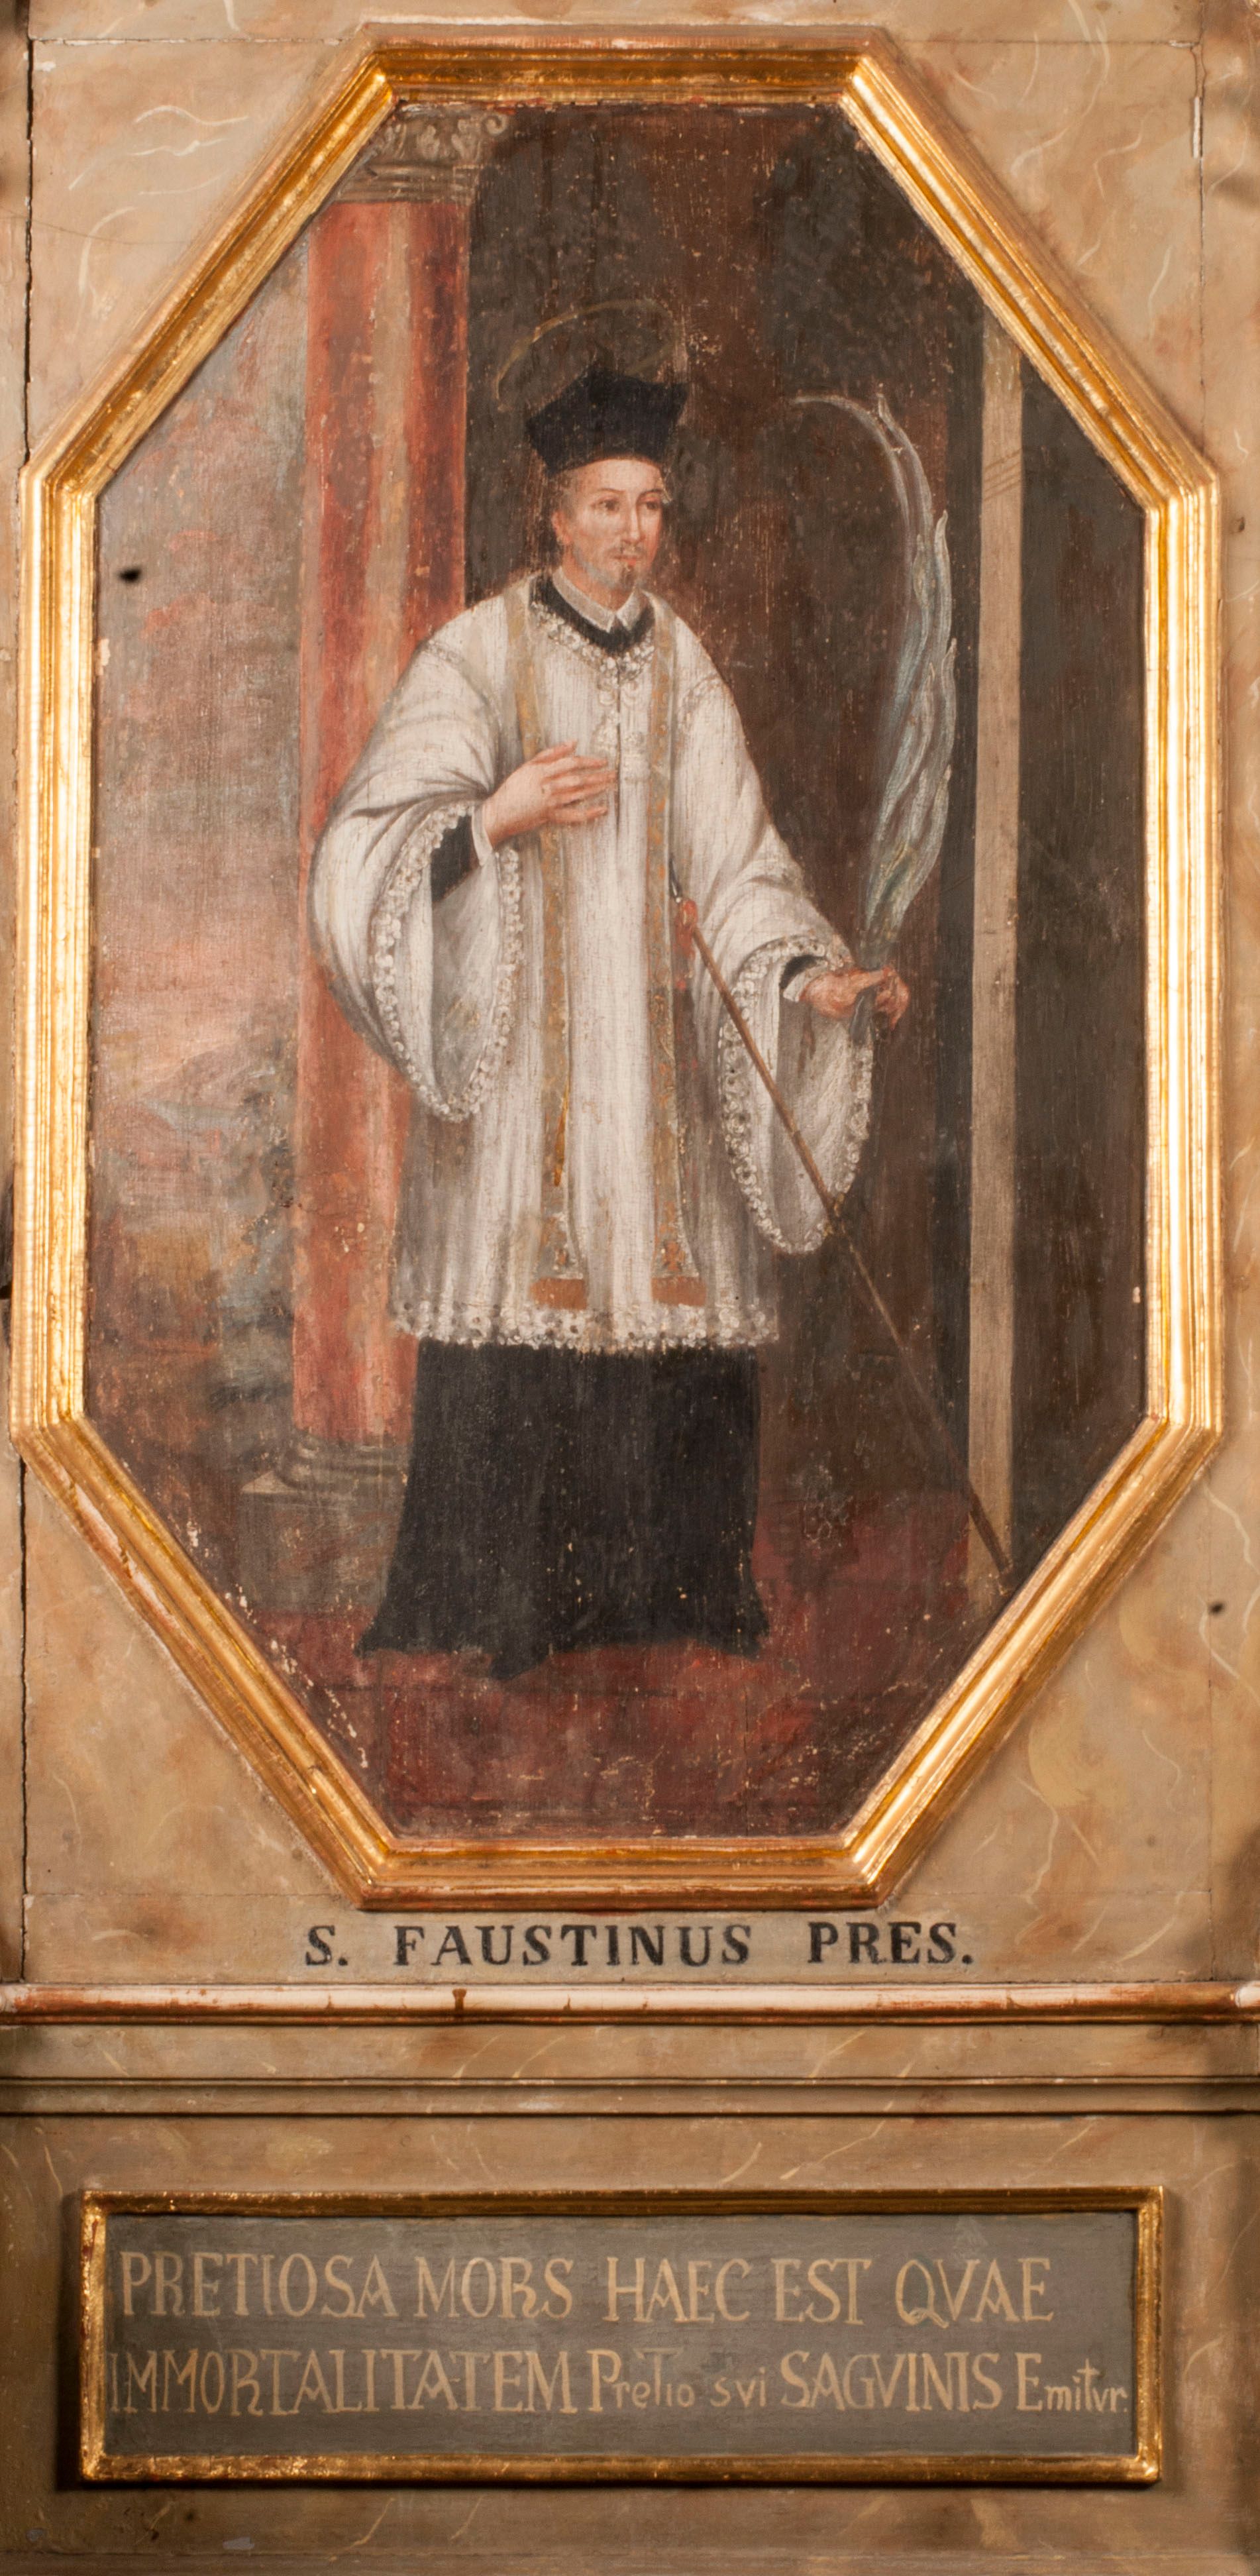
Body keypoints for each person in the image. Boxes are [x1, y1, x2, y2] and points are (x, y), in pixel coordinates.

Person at [310, 362, 908, 1678]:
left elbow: (738, 867)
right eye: (607, 506)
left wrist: (808, 977)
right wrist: (493, 818)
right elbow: (361, 857)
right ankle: (501, 1610)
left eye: (650, 507)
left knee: (663, 1298)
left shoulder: (683, 664)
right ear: (555, 514)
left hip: (656, 1092)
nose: (633, 533)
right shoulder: (475, 653)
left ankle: (672, 1602)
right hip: (520, 1083)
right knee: (525, 1310)